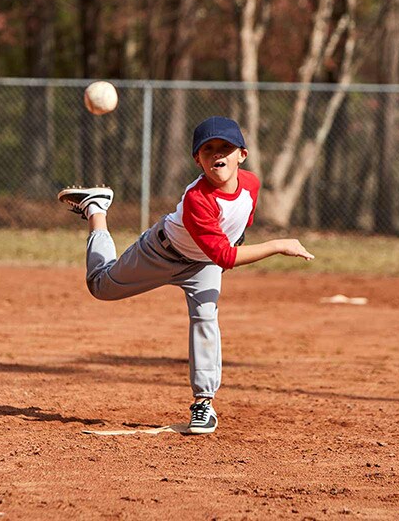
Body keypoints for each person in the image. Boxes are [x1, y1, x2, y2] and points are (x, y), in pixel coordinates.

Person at [57, 116, 314, 434]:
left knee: (206, 318)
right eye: (208, 149)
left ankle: (203, 404)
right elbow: (225, 256)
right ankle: (96, 209)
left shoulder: (251, 184)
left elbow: (240, 225)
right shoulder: (198, 199)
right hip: (160, 253)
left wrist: (238, 237)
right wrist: (278, 245)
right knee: (100, 286)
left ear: (242, 155)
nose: (217, 153)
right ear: (198, 159)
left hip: (203, 263)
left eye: (226, 147)